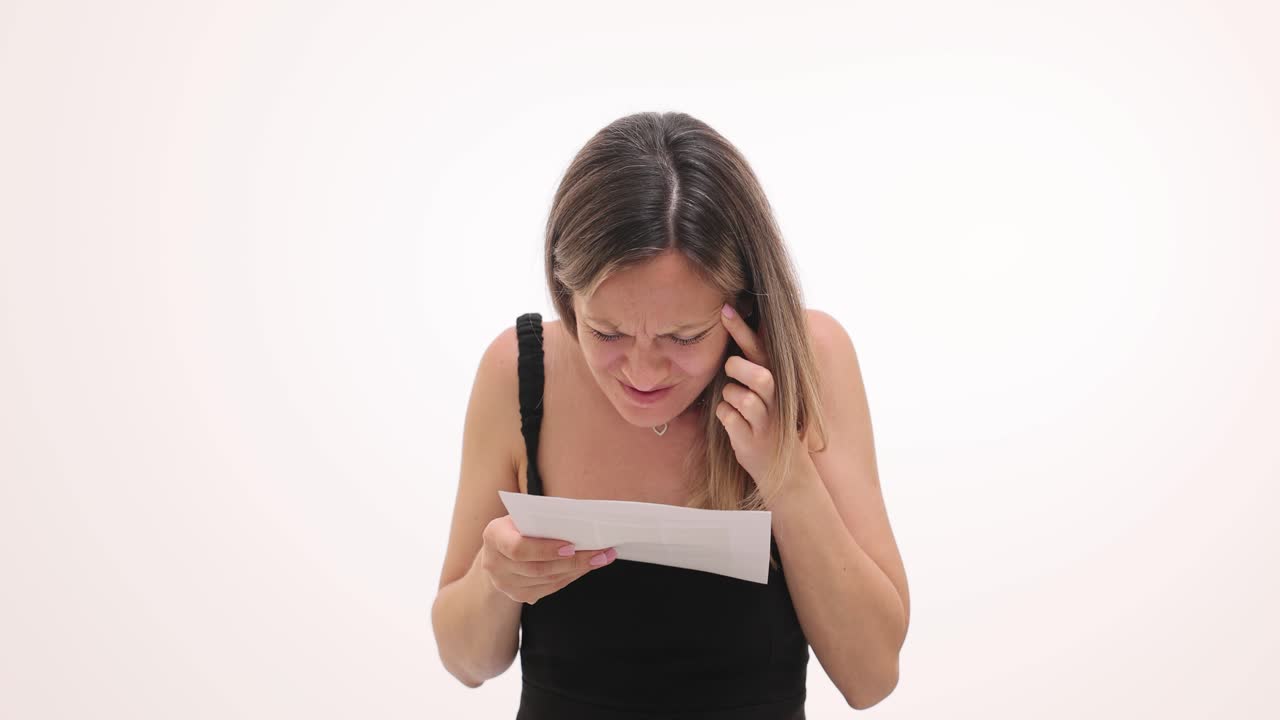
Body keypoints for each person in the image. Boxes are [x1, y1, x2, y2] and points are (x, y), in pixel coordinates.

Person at [432, 111, 910, 718]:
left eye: (683, 337)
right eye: (606, 332)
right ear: (566, 291)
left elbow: (871, 677)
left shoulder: (810, 363)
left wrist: (785, 474)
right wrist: (496, 577)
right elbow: (465, 662)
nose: (642, 373)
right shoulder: (522, 371)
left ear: (741, 305)